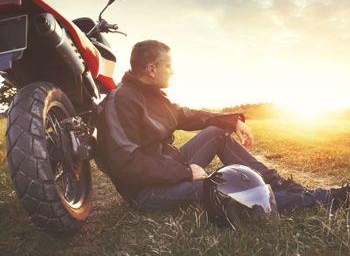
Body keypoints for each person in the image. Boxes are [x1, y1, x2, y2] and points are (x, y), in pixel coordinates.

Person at [97, 40, 349, 215]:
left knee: (217, 134)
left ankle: (280, 184)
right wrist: (185, 173)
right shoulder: (121, 101)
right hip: (146, 192)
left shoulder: (153, 95)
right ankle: (323, 199)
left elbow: (188, 115)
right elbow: (127, 166)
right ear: (151, 69)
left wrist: (232, 120)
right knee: (226, 187)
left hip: (168, 166)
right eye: (168, 66)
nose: (172, 71)